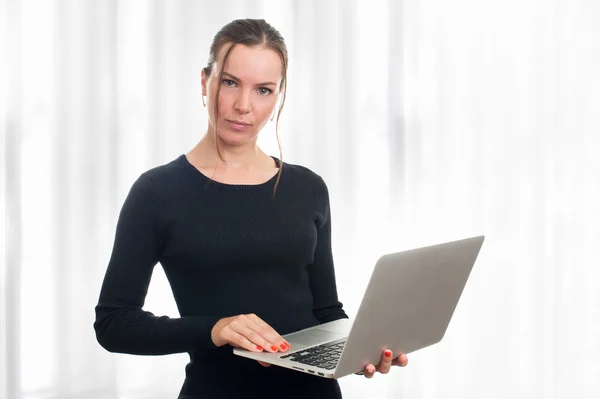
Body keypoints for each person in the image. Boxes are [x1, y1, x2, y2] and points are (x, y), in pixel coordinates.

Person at [93, 18, 408, 398]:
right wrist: (214, 329)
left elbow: (326, 312)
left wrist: (363, 349)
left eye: (263, 90)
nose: (243, 106)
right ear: (204, 82)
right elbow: (113, 323)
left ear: (278, 96)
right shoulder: (157, 192)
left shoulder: (307, 188)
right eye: (230, 82)